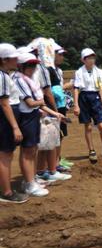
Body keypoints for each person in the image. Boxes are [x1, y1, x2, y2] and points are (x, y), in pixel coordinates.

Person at [14, 52, 67, 197]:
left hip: (33, 115)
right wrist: (41, 103)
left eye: (34, 66)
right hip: (26, 117)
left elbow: (38, 105)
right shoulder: (19, 80)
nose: (33, 69)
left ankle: (31, 179)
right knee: (27, 151)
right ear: (21, 66)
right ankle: (29, 183)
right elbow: (31, 103)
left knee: (32, 150)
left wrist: (55, 113)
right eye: (29, 66)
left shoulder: (28, 79)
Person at [73, 48, 102, 163]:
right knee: (88, 126)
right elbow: (76, 88)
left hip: (95, 98)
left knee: (101, 126)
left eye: (93, 57)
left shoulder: (99, 71)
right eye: (89, 58)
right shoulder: (79, 72)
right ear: (83, 60)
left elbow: (100, 88)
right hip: (84, 98)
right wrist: (76, 105)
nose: (91, 60)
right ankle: (91, 150)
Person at [0, 44, 27, 203]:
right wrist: (15, 127)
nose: (17, 60)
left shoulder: (5, 75)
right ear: (4, 60)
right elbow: (4, 103)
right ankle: (7, 193)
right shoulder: (3, 77)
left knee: (5, 155)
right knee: (5, 155)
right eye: (14, 58)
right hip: (5, 120)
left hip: (6, 118)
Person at [49, 46, 73, 173]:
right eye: (60, 54)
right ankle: (54, 164)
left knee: (61, 134)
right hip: (54, 107)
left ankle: (57, 159)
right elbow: (50, 90)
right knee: (55, 135)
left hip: (61, 105)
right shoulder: (49, 70)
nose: (62, 57)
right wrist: (66, 86)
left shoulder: (59, 70)